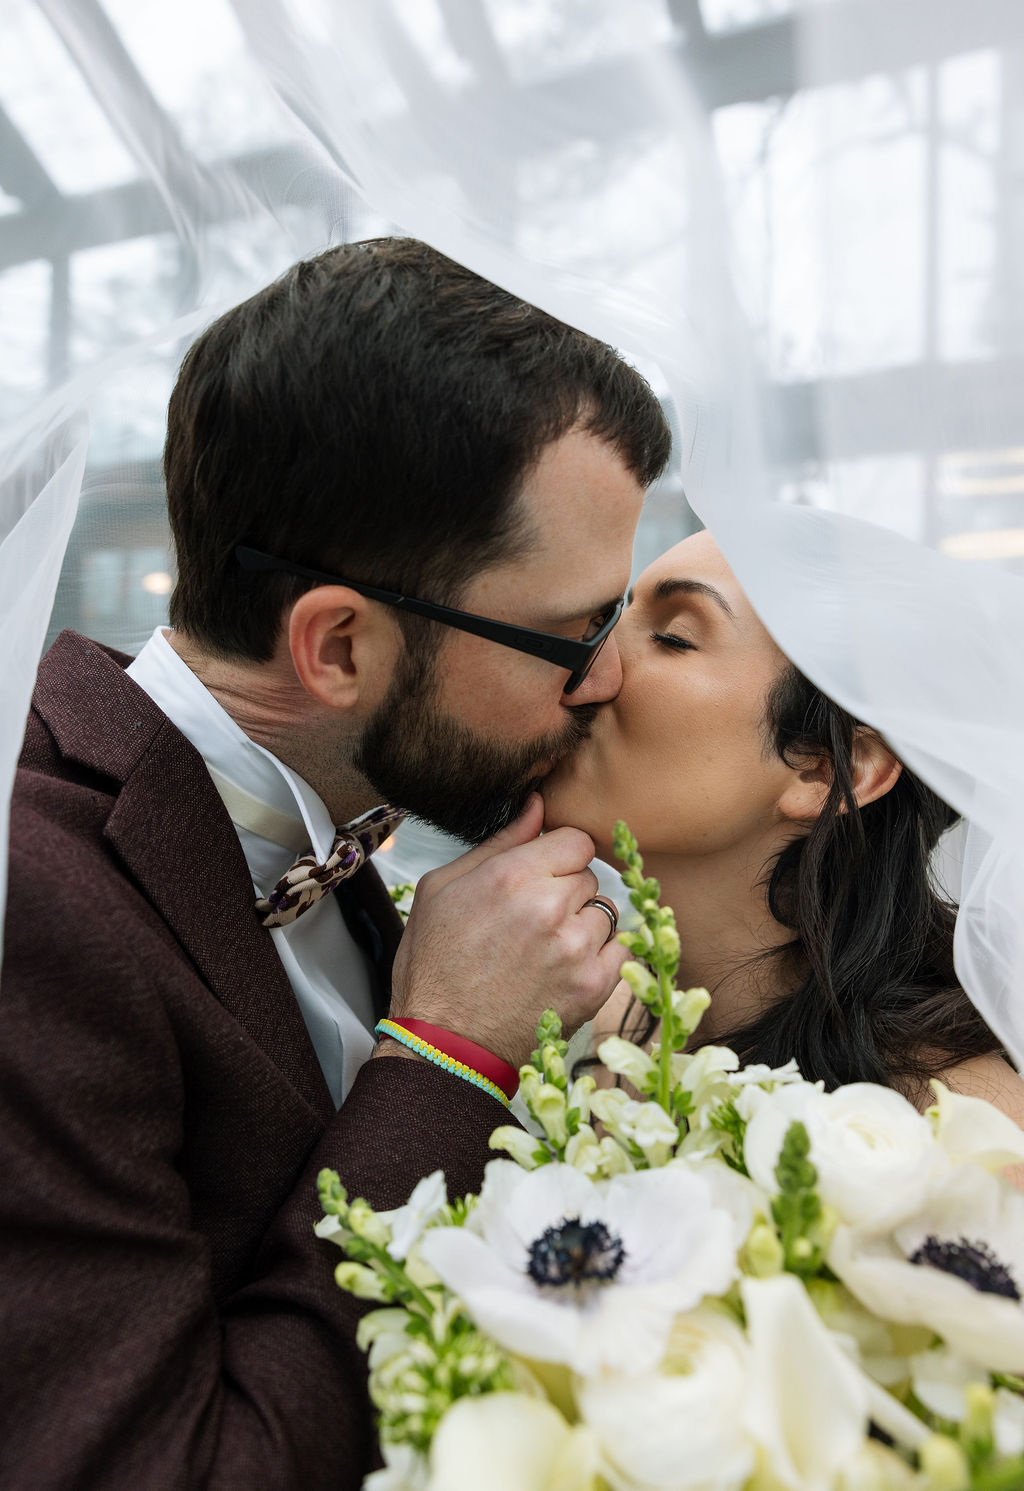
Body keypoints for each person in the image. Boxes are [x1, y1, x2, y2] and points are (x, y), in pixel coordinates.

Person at [0, 238, 671, 1489]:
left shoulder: (344, 824)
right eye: (575, 632)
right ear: (339, 648)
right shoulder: (30, 907)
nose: (612, 675)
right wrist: (449, 1053)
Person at [543, 529, 1024, 1122]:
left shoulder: (959, 1131)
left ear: (832, 768)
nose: (588, 664)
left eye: (673, 638)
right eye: (611, 619)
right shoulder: (615, 1011)